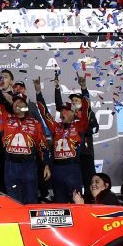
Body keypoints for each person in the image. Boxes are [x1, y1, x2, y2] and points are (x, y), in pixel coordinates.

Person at [33, 72, 90, 204]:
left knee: (77, 203)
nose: (63, 113)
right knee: (60, 203)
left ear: (74, 113)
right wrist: (38, 92)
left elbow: (87, 110)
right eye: (61, 111)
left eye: (66, 110)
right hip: (57, 169)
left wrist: (84, 88)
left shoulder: (79, 126)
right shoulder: (55, 127)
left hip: (72, 169)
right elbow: (44, 112)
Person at [0, 92, 50, 204]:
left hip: (29, 165)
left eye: (20, 101)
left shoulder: (35, 124)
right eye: (15, 101)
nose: (17, 103)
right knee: (14, 200)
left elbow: (42, 146)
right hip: (11, 165)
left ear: (26, 106)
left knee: (31, 199)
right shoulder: (5, 120)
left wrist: (46, 165)